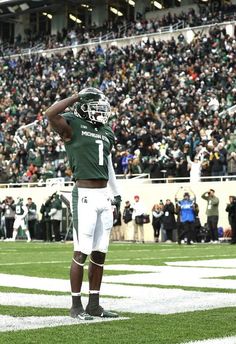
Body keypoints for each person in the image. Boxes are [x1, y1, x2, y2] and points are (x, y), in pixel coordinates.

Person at [45, 87, 121, 320]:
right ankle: (76, 306)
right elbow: (50, 114)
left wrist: (116, 194)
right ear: (84, 107)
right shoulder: (72, 125)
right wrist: (78, 95)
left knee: (100, 253)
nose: (100, 112)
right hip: (85, 194)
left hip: (104, 195)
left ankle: (94, 305)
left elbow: (109, 166)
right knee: (82, 250)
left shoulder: (106, 131)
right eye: (95, 106)